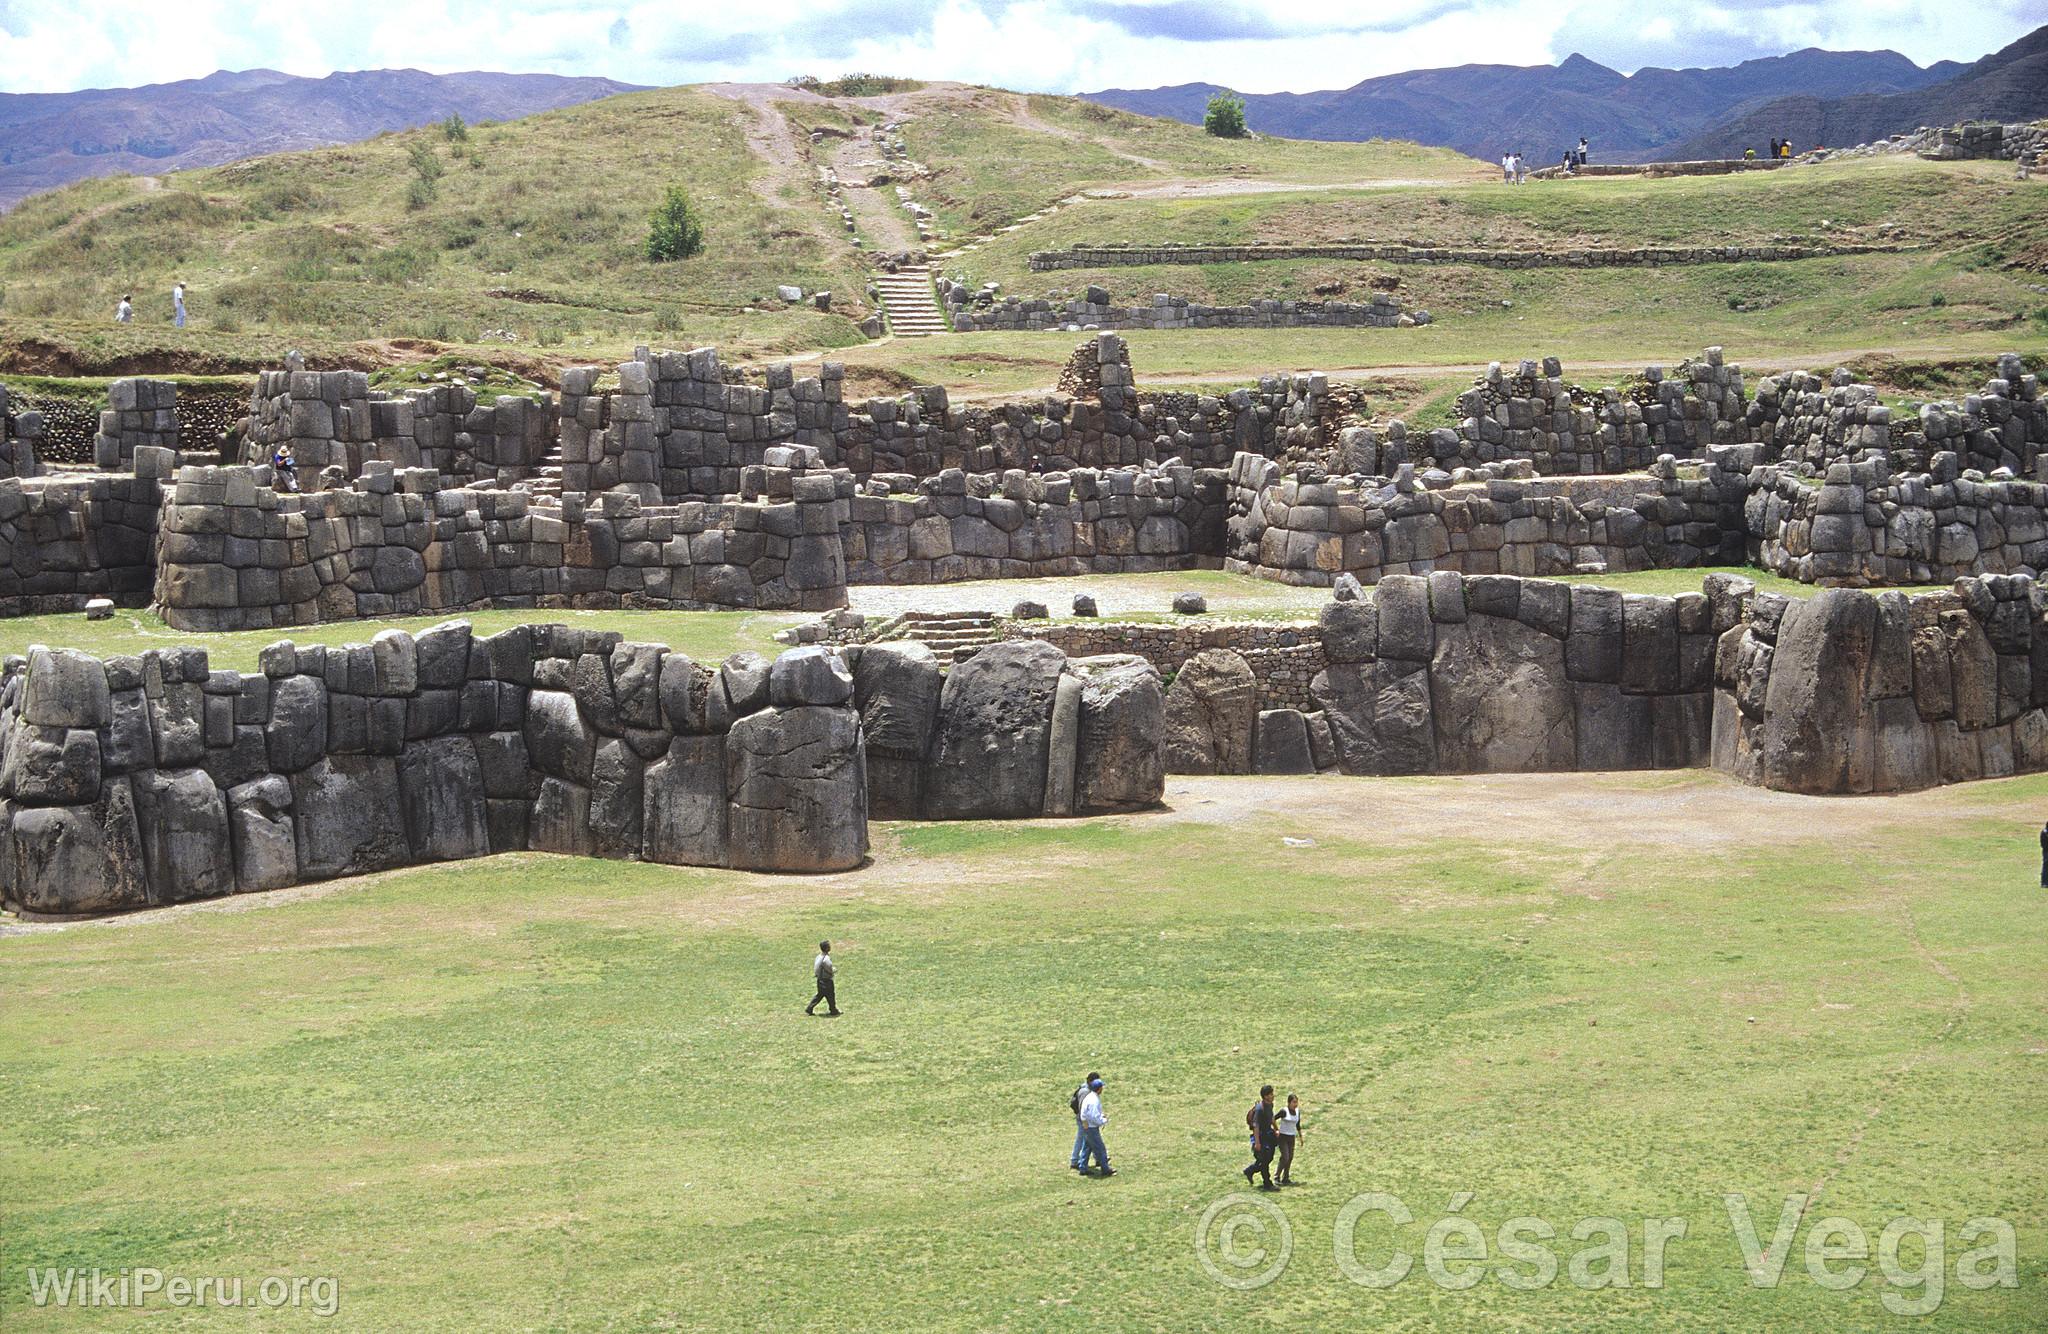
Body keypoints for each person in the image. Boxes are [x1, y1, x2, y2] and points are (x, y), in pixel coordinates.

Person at [1243, 1084, 1277, 1190]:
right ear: (1265, 1096)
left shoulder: (1270, 1105)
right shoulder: (1259, 1109)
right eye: (1271, 1094)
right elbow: (1256, 1126)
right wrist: (1257, 1143)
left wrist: (1276, 1129)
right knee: (1264, 1159)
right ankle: (1267, 1183)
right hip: (1261, 1136)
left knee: (1269, 1158)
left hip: (1268, 1135)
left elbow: (1271, 1117)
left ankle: (1250, 1170)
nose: (1273, 1096)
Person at [1078, 1076, 1113, 1176]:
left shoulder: (1089, 1097)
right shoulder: (1094, 1100)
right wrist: (1103, 1121)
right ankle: (1105, 1169)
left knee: (1087, 1147)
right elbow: (1094, 1116)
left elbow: (1085, 1113)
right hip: (1092, 1127)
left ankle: (1083, 1167)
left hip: (1086, 1126)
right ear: (1099, 1089)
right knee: (1100, 1148)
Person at [1069, 1071, 1101, 1173]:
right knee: (1083, 1138)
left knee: (1091, 1139)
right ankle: (1074, 1160)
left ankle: (1098, 1158)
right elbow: (1083, 1107)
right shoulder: (1085, 1091)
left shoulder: (1087, 1090)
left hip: (1085, 1119)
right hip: (1084, 1120)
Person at [805, 939, 840, 1016]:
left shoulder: (818, 956)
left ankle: (809, 1008)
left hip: (819, 980)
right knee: (830, 995)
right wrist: (834, 970)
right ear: (827, 948)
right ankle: (833, 1010)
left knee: (820, 995)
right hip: (826, 980)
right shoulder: (826, 959)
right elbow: (829, 968)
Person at [1275, 1094, 1302, 1185]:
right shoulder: (1284, 1111)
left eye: (1296, 1102)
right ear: (1289, 1102)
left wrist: (1300, 1137)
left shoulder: (1297, 1112)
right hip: (1283, 1137)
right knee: (1285, 1157)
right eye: (1294, 1102)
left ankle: (1285, 1178)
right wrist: (1276, 1129)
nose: (1295, 1104)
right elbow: (1273, 1118)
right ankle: (1276, 1176)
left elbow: (1298, 1125)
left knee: (1290, 1157)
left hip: (1291, 1137)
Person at [2038, 821, 2046, 888]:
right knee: (2046, 866)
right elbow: (2043, 845)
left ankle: (2044, 882)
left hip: (2046, 851)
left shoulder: (2043, 832)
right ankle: (2044, 882)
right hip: (2046, 852)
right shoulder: (2044, 832)